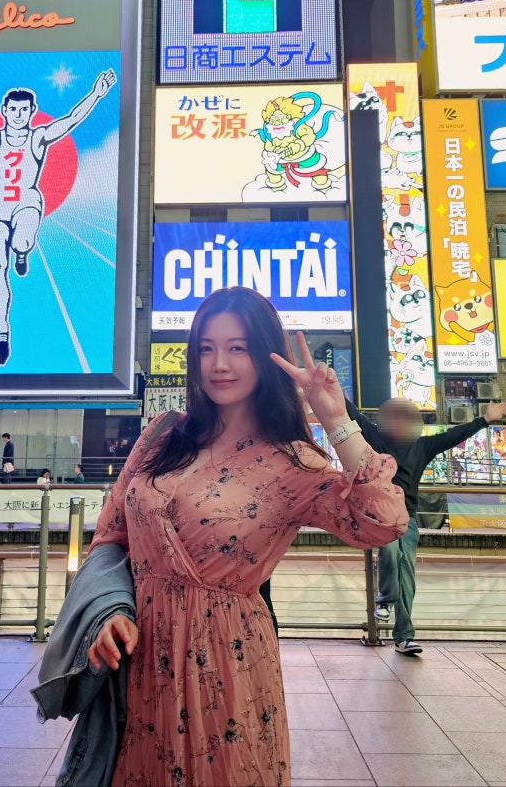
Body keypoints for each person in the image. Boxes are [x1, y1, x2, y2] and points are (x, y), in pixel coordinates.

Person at [86, 287, 408, 786]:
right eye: (207, 348)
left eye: (237, 348)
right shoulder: (162, 436)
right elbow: (110, 534)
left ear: (263, 354)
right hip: (141, 658)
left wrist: (335, 418)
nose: (219, 363)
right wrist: (107, 611)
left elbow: (383, 522)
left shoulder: (293, 461)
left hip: (227, 662)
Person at [0, 66, 116, 366]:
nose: (18, 114)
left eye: (23, 110)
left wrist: (96, 94)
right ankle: (3, 331)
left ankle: (23, 252)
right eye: (13, 109)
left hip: (26, 200)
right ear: (4, 110)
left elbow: (71, 120)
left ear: (32, 112)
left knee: (22, 241)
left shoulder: (38, 137)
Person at [346, 397, 506, 655]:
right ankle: (385, 600)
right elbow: (354, 414)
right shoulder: (376, 438)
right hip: (383, 516)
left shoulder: (423, 447)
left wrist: (485, 420)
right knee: (390, 551)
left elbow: (452, 436)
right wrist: (328, 385)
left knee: (407, 576)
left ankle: (404, 637)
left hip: (408, 519)